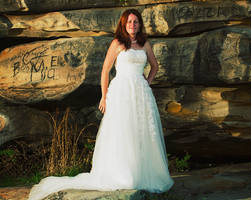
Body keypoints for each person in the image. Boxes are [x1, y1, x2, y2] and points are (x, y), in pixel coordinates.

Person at [28, 9, 174, 200]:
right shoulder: (117, 43)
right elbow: (105, 70)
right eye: (129, 22)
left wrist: (147, 82)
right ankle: (125, 175)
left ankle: (145, 174)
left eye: (136, 22)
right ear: (123, 24)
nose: (132, 25)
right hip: (121, 91)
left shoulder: (145, 43)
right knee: (123, 130)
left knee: (143, 130)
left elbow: (154, 66)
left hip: (141, 92)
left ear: (140, 24)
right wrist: (104, 97)